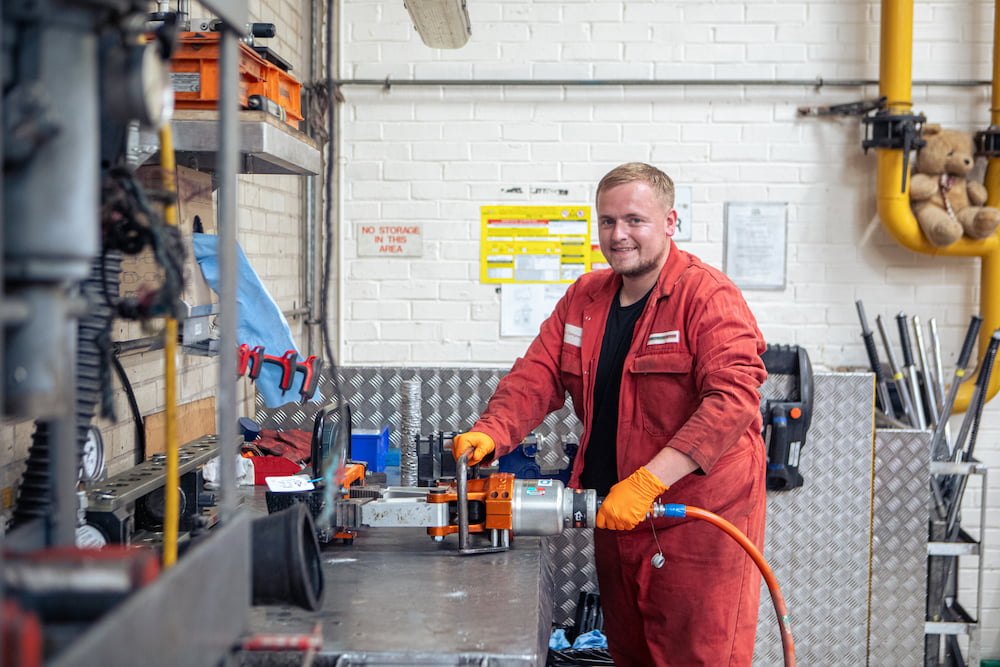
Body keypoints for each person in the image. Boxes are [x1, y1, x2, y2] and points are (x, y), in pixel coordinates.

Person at [452, 162, 768, 666]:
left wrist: (648, 482)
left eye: (634, 220)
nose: (618, 235)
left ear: (670, 222)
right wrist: (491, 432)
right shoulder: (585, 297)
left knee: (697, 657)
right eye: (606, 221)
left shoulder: (706, 296)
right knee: (630, 654)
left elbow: (732, 400)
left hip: (692, 520)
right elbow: (537, 374)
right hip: (615, 513)